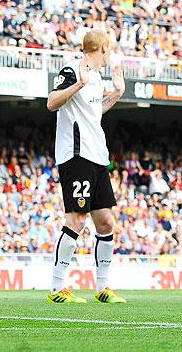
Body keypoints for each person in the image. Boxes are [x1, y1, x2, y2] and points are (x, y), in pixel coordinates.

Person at [46, 29, 126, 304]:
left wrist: (115, 93)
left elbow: (93, 113)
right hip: (76, 155)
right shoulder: (72, 70)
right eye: (110, 48)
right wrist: (78, 84)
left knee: (105, 221)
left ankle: (102, 287)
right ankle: (57, 288)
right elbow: (52, 102)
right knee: (77, 219)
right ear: (103, 47)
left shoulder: (97, 77)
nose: (111, 54)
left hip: (97, 156)